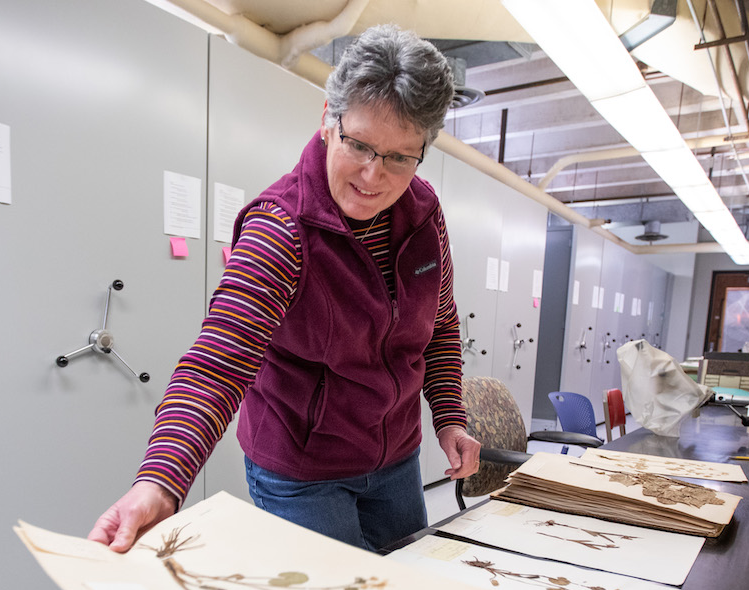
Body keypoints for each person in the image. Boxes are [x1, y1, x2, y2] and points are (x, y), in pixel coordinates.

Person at [89, 24, 480, 553]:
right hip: (303, 468)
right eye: (359, 144)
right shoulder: (282, 229)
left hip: (394, 457)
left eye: (399, 157)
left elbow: (440, 323)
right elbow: (217, 363)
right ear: (328, 120)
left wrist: (449, 416)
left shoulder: (425, 215)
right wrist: (160, 481)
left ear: (422, 152)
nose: (372, 175)